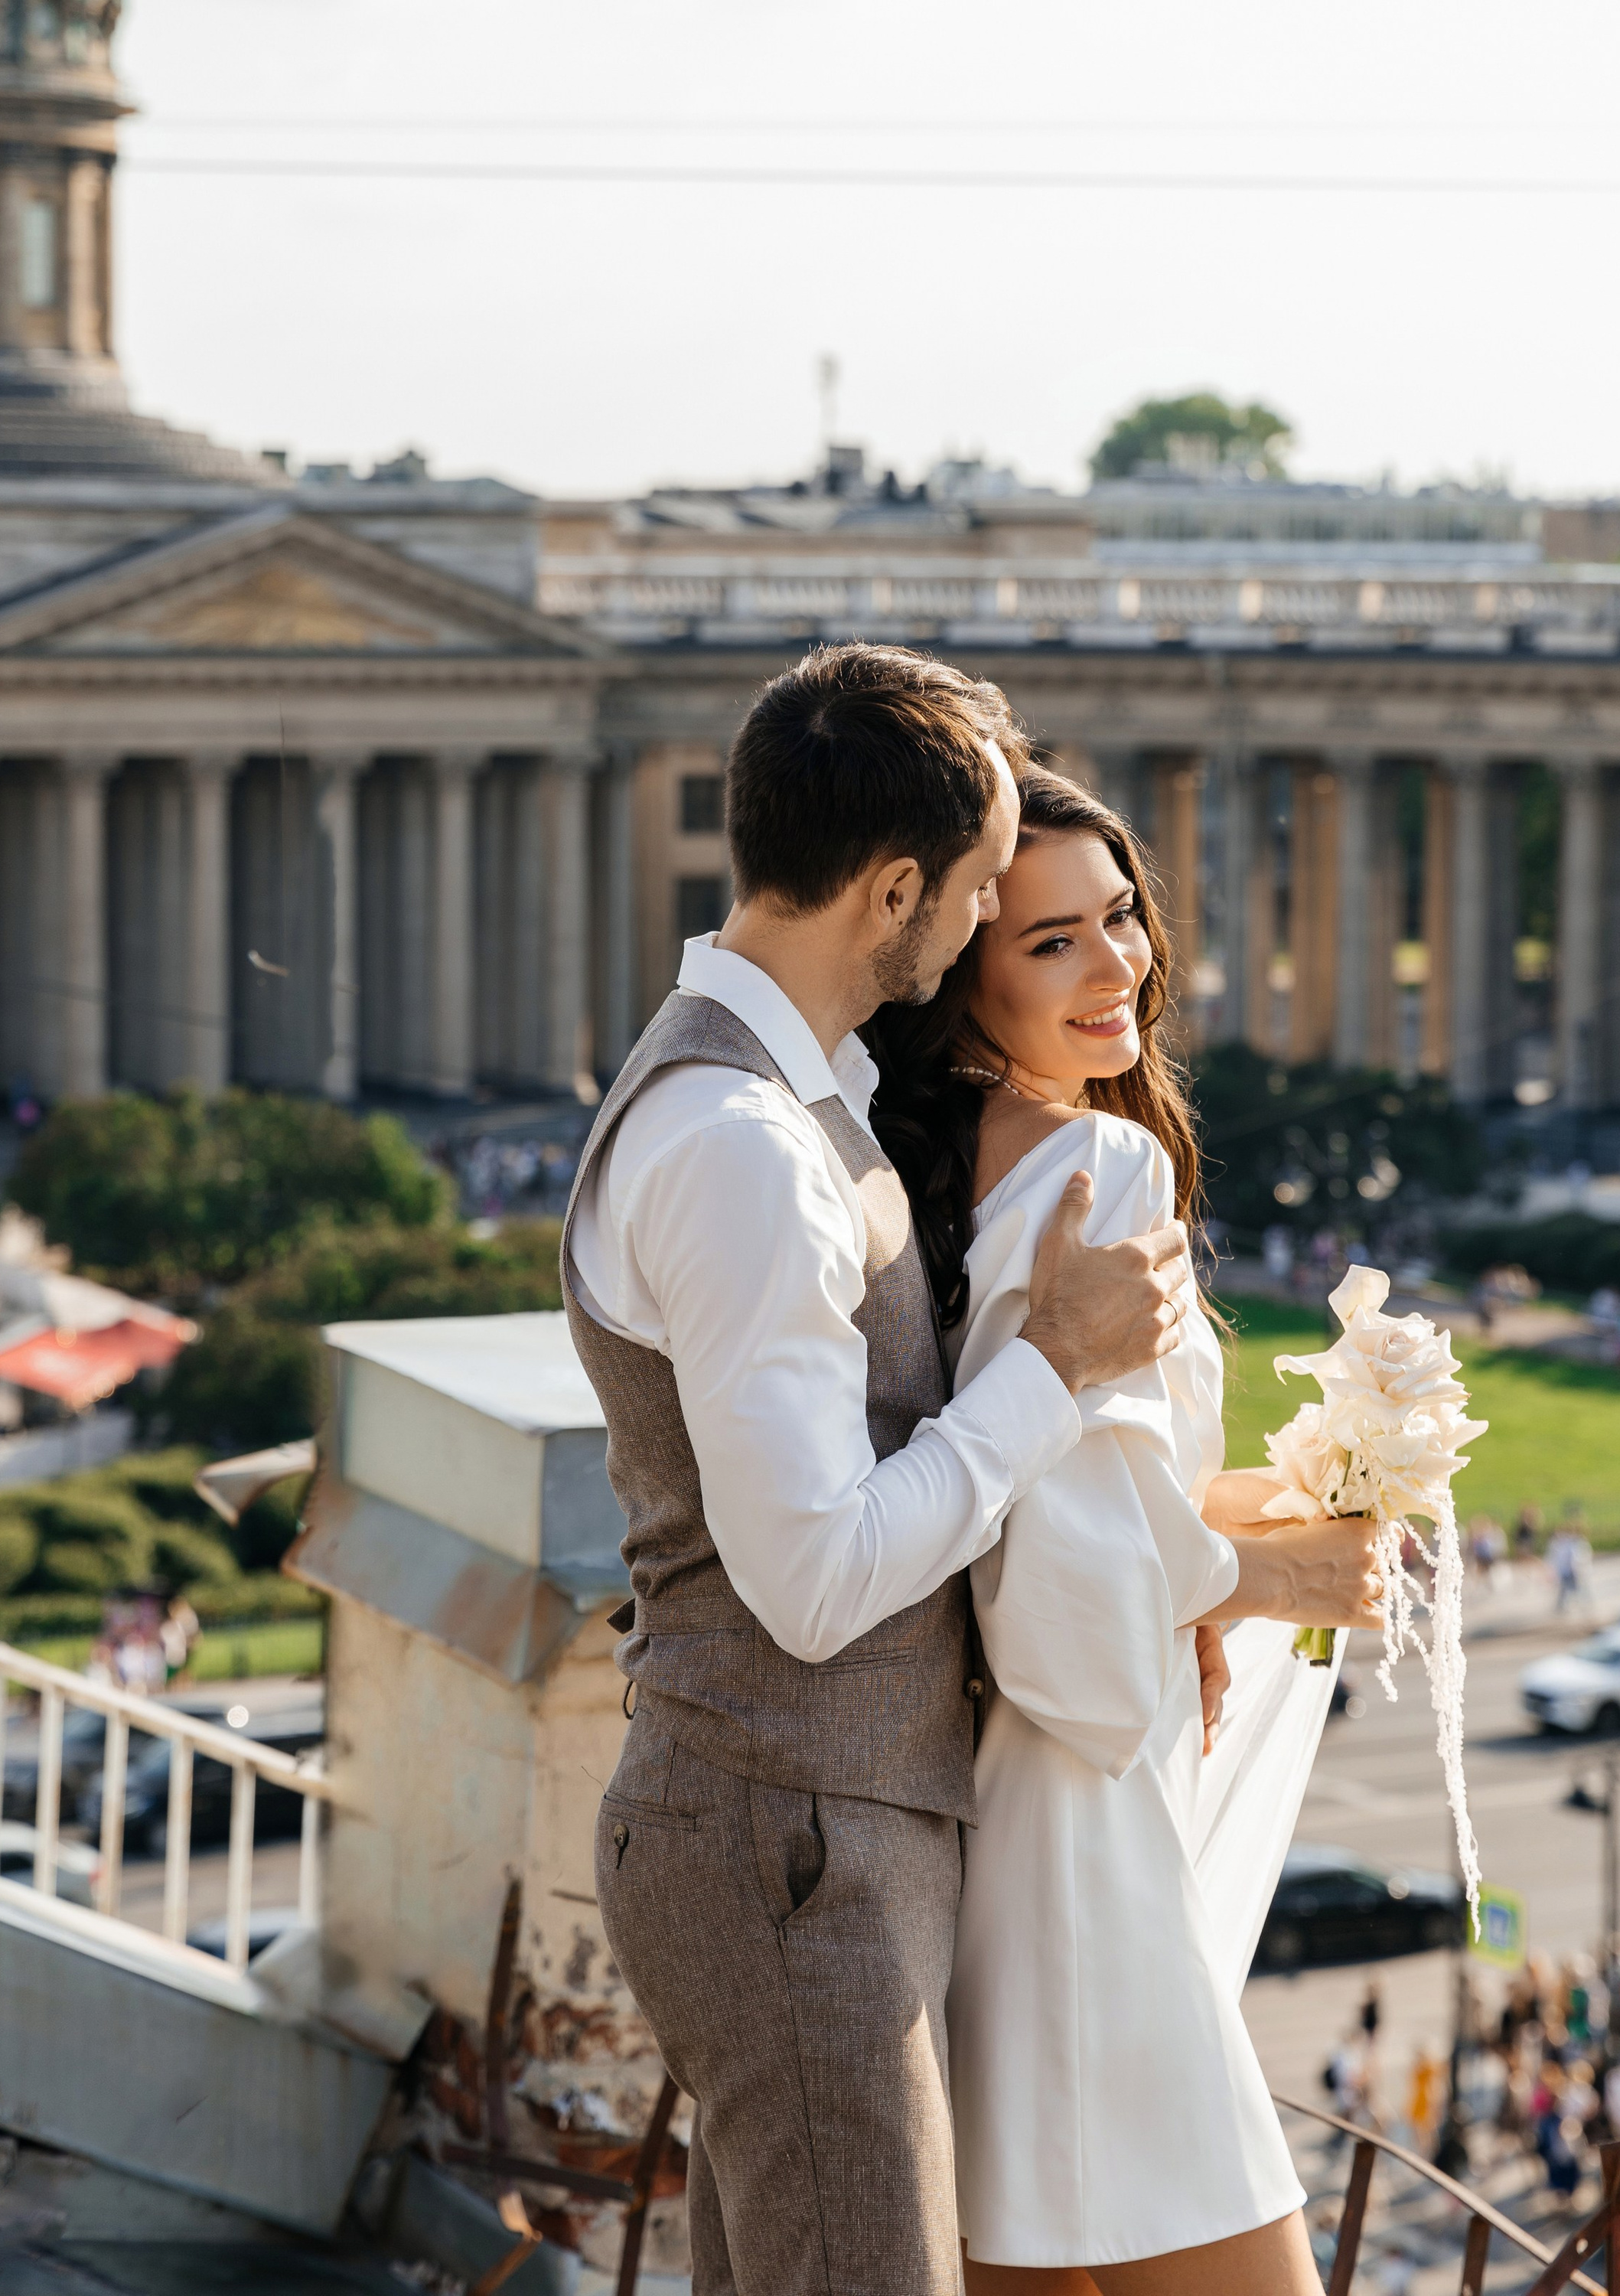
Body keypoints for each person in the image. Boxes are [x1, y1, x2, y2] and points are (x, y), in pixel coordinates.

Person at [566, 647, 1194, 2296]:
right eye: (985, 889)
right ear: (897, 888)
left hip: (801, 1831)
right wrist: (1052, 1365)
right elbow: (816, 1574)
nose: (991, 919)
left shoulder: (778, 1095)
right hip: (787, 1838)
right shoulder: (743, 1149)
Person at [869, 765, 1380, 2296]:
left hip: (978, 1838)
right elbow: (1071, 1642)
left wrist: (1221, 1525)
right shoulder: (1096, 1164)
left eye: (1121, 920)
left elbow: (1033, 1496)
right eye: (1049, 943)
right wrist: (1264, 1571)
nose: (1118, 970)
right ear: (959, 970)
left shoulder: (950, 1157)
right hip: (1078, 1845)